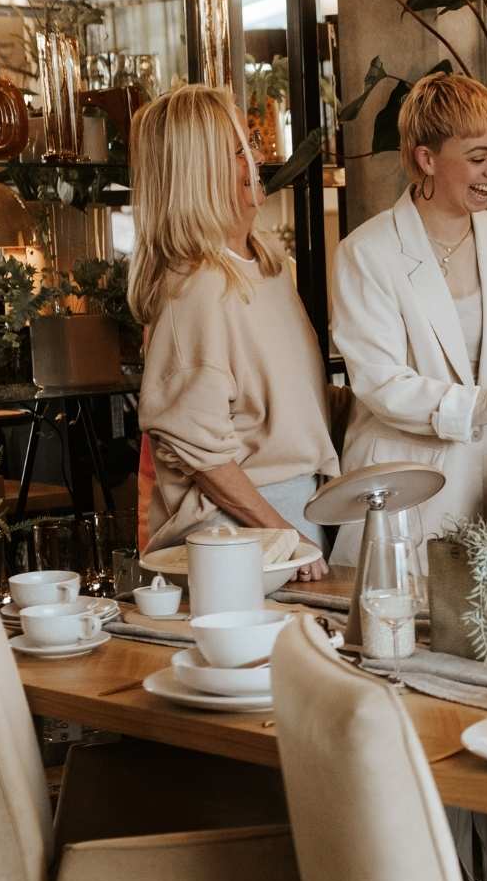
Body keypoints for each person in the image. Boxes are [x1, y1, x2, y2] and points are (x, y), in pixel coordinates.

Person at [329, 73, 487, 563]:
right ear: (426, 159)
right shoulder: (366, 252)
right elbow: (383, 385)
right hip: (402, 489)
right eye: (477, 157)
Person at [131, 85, 337, 571]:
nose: (258, 157)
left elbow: (287, 402)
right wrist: (284, 536)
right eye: (240, 149)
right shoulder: (196, 288)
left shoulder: (266, 265)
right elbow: (202, 455)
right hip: (239, 533)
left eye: (253, 142)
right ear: (199, 172)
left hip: (294, 512)